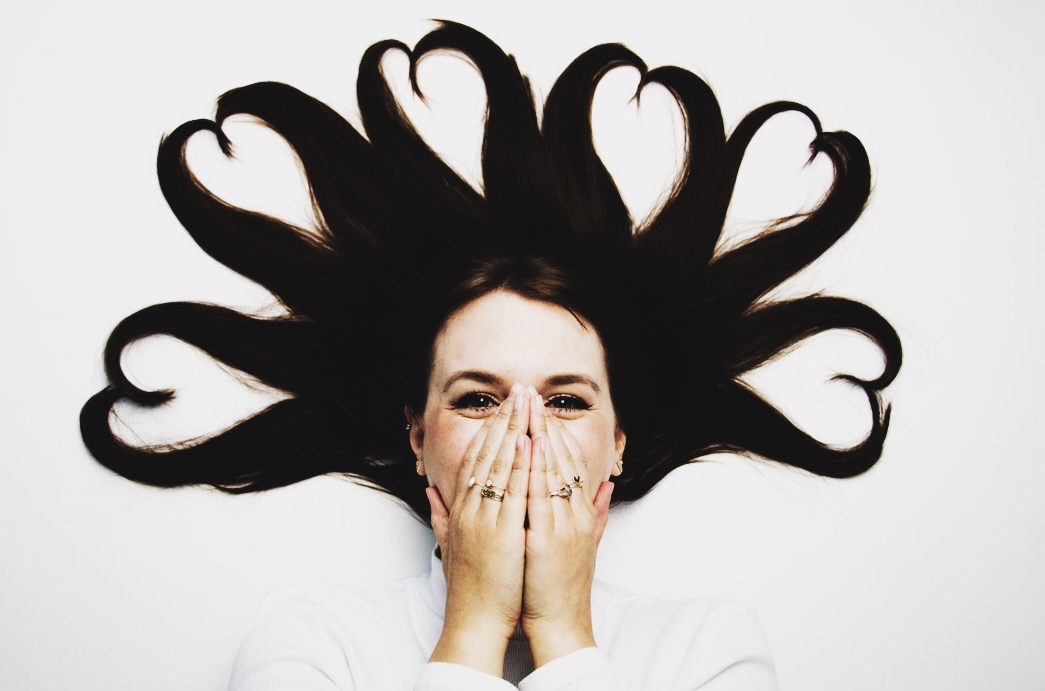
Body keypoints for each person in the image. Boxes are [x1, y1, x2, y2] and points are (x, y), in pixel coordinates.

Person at [80, 21, 901, 690]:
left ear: (618, 443)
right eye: (477, 398)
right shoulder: (309, 642)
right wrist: (471, 625)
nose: (526, 435)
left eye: (567, 399)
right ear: (417, 435)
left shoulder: (710, 648)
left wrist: (564, 632)